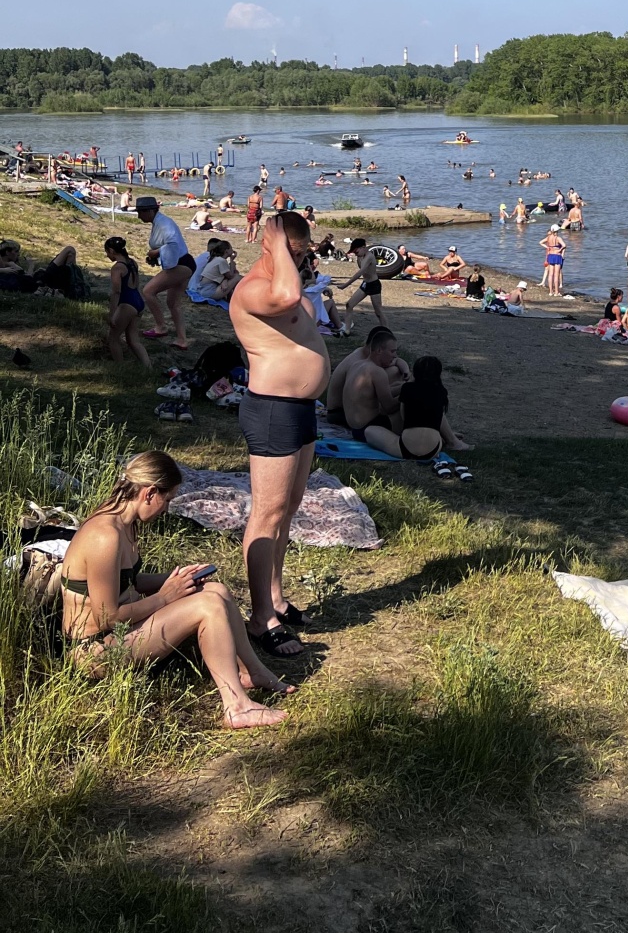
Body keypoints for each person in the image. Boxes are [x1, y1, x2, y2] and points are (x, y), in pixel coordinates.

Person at [59, 449, 290, 728]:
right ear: (149, 493)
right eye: (166, 500)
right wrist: (166, 596)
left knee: (216, 591)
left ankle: (251, 671)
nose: (166, 508)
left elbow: (127, 581)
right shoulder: (104, 536)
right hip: (95, 650)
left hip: (119, 634)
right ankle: (237, 707)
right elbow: (108, 616)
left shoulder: (125, 524)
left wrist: (178, 578)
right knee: (208, 607)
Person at [229, 212, 332, 659]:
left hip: (301, 408)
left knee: (288, 509)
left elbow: (301, 304)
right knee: (267, 513)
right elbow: (289, 296)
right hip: (273, 410)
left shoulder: (287, 286)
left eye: (305, 249)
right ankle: (259, 618)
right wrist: (274, 238)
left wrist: (294, 255)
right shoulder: (253, 290)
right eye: (297, 249)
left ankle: (276, 598)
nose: (303, 256)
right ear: (270, 245)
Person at [364, 355, 470, 460]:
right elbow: (436, 417)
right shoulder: (441, 392)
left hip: (406, 449)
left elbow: (403, 417)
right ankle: (448, 439)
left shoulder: (407, 389)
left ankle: (445, 439)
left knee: (369, 431)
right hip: (433, 449)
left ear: (415, 373)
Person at [135, 195, 195, 348]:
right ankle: (182, 340)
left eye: (141, 212)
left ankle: (161, 327)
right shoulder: (159, 222)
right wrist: (157, 256)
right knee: (173, 303)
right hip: (185, 262)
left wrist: (156, 253)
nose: (139, 216)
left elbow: (172, 244)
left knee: (148, 291)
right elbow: (167, 246)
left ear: (150, 211)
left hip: (180, 264)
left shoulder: (164, 224)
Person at [327, 328, 411, 435]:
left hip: (355, 428)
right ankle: (423, 441)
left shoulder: (357, 364)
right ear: (379, 350)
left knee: (398, 386)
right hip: (368, 429)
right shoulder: (377, 372)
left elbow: (371, 394)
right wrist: (408, 393)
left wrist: (402, 387)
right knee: (407, 410)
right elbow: (389, 407)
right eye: (392, 351)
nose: (395, 355)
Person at [103, 235, 150, 368]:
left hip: (127, 304)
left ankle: (120, 368)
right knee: (133, 340)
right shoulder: (132, 263)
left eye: (107, 252)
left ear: (112, 251)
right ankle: (148, 368)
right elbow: (136, 284)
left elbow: (116, 292)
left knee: (113, 338)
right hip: (138, 301)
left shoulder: (117, 268)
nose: (107, 256)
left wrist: (112, 314)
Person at [340, 237, 385, 321]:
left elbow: (359, 273)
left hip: (374, 285)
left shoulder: (369, 256)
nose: (356, 254)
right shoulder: (360, 256)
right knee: (349, 305)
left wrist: (345, 285)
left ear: (363, 247)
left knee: (378, 312)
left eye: (356, 252)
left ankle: (386, 331)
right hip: (365, 284)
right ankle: (346, 330)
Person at [541, 228, 566, 295]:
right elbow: (564, 245)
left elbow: (540, 242)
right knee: (556, 274)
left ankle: (550, 292)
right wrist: (560, 250)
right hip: (557, 256)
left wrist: (547, 247)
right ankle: (556, 292)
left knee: (550, 274)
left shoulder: (548, 237)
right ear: (557, 231)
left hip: (550, 255)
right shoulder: (558, 238)